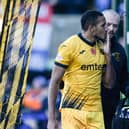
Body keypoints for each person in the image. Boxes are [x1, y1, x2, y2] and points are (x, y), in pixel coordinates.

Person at [47, 10, 115, 129]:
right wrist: (52, 118)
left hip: (96, 113)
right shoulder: (69, 46)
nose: (107, 29)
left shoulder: (102, 47)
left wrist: (108, 57)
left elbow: (109, 84)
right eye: (103, 25)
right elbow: (54, 81)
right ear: (92, 28)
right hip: (73, 111)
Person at [101, 9, 129, 129]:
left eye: (115, 26)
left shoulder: (120, 50)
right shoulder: (87, 45)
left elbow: (124, 81)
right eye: (108, 24)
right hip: (87, 109)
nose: (111, 28)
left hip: (110, 110)